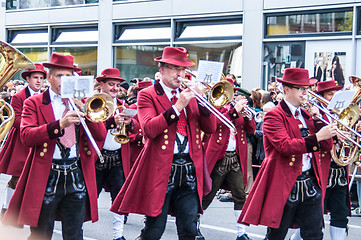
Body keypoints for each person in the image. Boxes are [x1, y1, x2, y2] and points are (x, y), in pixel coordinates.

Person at [110, 46, 217, 240]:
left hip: (189, 169)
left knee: (189, 230)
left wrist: (203, 102)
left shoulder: (191, 94)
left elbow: (210, 128)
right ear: (162, 69)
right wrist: (177, 107)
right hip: (162, 168)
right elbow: (150, 129)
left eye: (183, 69)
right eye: (176, 68)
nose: (181, 74)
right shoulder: (148, 94)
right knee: (154, 230)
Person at [2, 52, 106, 240]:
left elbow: (100, 135)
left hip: (75, 174)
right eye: (60, 76)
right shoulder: (34, 102)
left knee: (75, 234)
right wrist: (58, 125)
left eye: (69, 77)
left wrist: (84, 110)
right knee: (41, 233)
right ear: (49, 77)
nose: (65, 81)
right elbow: (26, 136)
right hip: (47, 174)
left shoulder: (80, 103)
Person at [239, 68, 337, 240]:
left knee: (314, 235)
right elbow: (285, 146)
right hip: (284, 183)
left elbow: (327, 146)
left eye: (307, 89)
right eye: (301, 89)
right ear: (287, 89)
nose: (306, 93)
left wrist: (319, 121)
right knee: (276, 235)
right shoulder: (273, 116)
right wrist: (317, 137)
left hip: (309, 183)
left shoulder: (307, 114)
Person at [290, 80, 350, 240]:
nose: (334, 97)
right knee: (314, 216)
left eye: (336, 94)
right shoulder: (312, 114)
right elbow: (311, 139)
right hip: (321, 169)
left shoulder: (342, 115)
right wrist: (333, 136)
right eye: (330, 94)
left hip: (339, 170)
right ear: (320, 96)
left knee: (340, 212)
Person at [199, 78, 256, 240]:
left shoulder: (235, 108)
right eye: (229, 92)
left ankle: (241, 232)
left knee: (240, 194)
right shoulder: (214, 107)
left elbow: (251, 129)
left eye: (233, 92)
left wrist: (247, 116)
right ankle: (195, 226)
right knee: (208, 194)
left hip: (235, 157)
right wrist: (234, 111)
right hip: (218, 157)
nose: (232, 95)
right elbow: (215, 123)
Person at [95, 68, 140, 240]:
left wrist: (131, 123)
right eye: (111, 84)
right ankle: (80, 231)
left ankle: (118, 235)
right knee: (88, 196)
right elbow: (93, 126)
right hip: (98, 157)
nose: (115, 88)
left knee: (119, 198)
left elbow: (137, 127)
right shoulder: (95, 102)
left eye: (117, 85)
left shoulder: (123, 106)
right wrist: (111, 121)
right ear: (102, 85)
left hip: (117, 158)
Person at [0, 63, 46, 216]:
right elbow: (16, 119)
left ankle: (28, 210)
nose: (39, 81)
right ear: (28, 79)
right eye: (35, 78)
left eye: (41, 78)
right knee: (17, 176)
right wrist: (34, 126)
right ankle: (7, 208)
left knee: (36, 177)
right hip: (21, 140)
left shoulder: (45, 96)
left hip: (39, 139)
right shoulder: (19, 96)